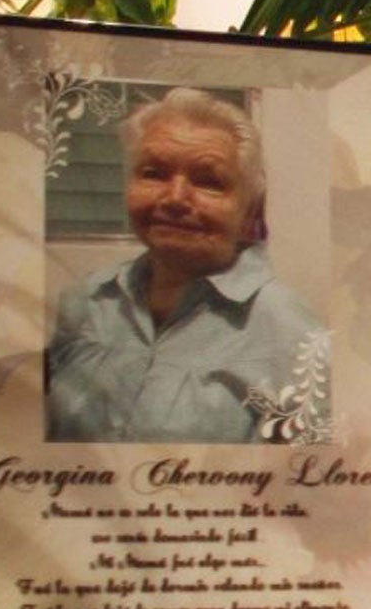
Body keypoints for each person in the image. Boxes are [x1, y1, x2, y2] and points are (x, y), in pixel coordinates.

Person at [46, 87, 324, 444]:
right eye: (153, 173)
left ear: (249, 211)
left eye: (209, 182)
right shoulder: (84, 301)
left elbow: (308, 487)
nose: (175, 198)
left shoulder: (291, 331)